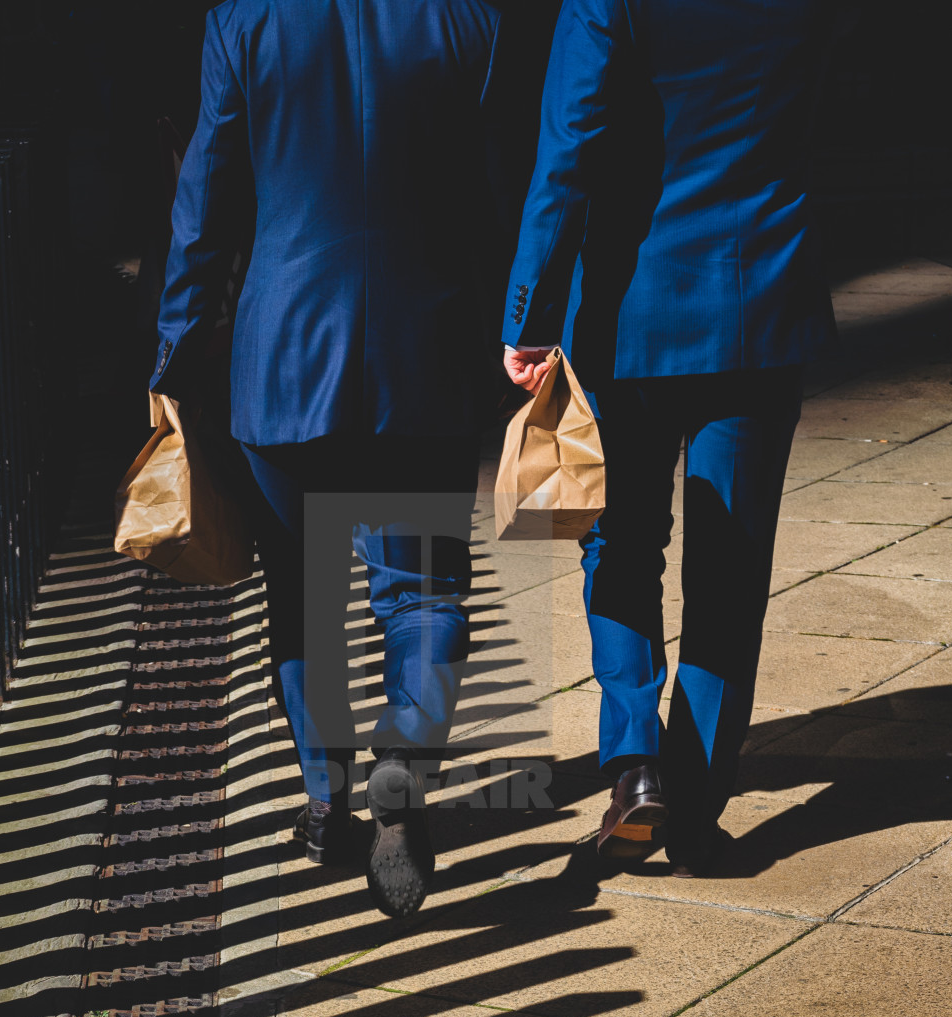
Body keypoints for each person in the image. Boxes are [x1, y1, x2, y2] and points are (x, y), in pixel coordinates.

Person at [150, 0, 516, 919]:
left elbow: (207, 202)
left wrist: (178, 347)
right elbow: (500, 190)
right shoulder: (468, 21)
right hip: (422, 350)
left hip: (283, 355)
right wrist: (521, 322)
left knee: (303, 589)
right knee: (424, 591)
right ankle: (404, 755)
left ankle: (325, 801)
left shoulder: (248, 22)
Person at [502, 0, 839, 876]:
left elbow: (567, 151)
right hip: (759, 302)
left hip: (628, 314)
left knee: (618, 543)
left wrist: (530, 316)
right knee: (731, 567)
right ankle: (693, 801)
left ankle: (637, 765)